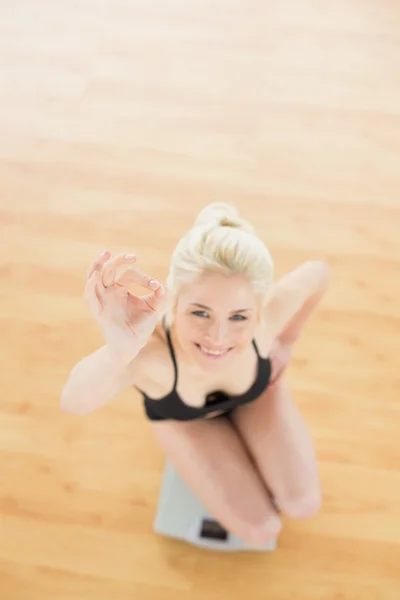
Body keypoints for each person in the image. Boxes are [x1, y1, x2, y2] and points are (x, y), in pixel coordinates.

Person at [60, 202, 330, 547]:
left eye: (238, 317)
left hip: (257, 396)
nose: (217, 338)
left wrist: (288, 341)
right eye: (200, 313)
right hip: (185, 421)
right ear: (172, 301)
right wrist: (117, 352)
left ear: (259, 309)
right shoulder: (150, 356)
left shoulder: (267, 323)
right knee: (261, 530)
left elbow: (318, 273)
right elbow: (73, 403)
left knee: (303, 505)